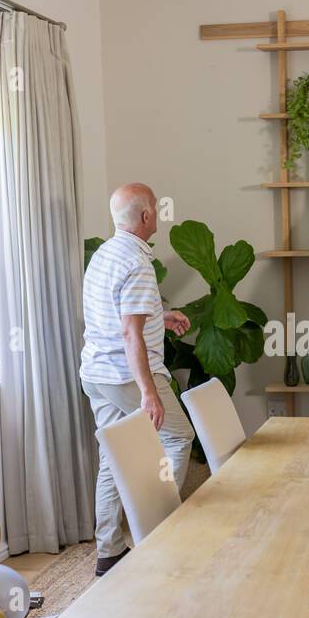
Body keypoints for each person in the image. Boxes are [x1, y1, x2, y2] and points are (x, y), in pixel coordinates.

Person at [80, 183, 194, 577]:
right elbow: (129, 334)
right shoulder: (138, 263)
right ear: (146, 217)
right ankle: (160, 533)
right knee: (178, 437)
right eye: (157, 209)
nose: (160, 215)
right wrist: (149, 392)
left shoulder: (105, 255)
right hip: (127, 375)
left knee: (112, 457)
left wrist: (162, 316)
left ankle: (109, 551)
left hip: (97, 372)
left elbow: (118, 316)